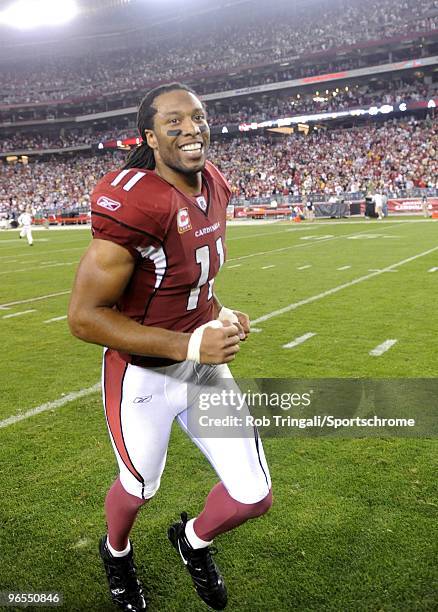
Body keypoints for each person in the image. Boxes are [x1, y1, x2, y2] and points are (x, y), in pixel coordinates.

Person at [68, 83, 272, 612]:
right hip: (144, 374)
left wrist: (219, 311)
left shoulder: (215, 183)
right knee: (139, 489)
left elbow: (188, 279)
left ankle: (193, 540)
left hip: (199, 370)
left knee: (253, 495)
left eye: (198, 117)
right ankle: (116, 551)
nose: (190, 128)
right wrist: (188, 344)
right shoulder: (137, 199)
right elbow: (84, 317)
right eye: (174, 121)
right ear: (151, 137)